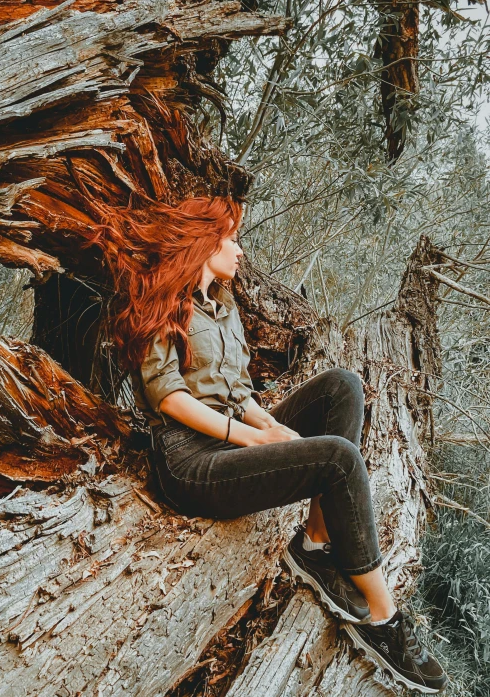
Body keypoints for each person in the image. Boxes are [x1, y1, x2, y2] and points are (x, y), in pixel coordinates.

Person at [110, 195, 448, 694]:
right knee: (339, 458)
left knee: (343, 386)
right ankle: (385, 620)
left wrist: (274, 427)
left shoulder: (223, 308)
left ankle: (314, 544)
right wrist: (254, 437)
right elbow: (169, 398)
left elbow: (240, 394)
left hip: (231, 435)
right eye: (231, 238)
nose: (240, 250)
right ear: (205, 243)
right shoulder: (165, 301)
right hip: (190, 460)